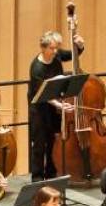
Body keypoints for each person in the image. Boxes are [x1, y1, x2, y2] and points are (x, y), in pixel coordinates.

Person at [26, 30, 85, 181]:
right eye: (52, 48)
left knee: (53, 140)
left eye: (56, 48)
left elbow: (72, 54)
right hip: (39, 109)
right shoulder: (37, 68)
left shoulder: (57, 56)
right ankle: (37, 177)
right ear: (43, 48)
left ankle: (51, 173)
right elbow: (42, 94)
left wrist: (80, 46)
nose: (55, 51)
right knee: (39, 144)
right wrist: (60, 105)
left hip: (53, 108)